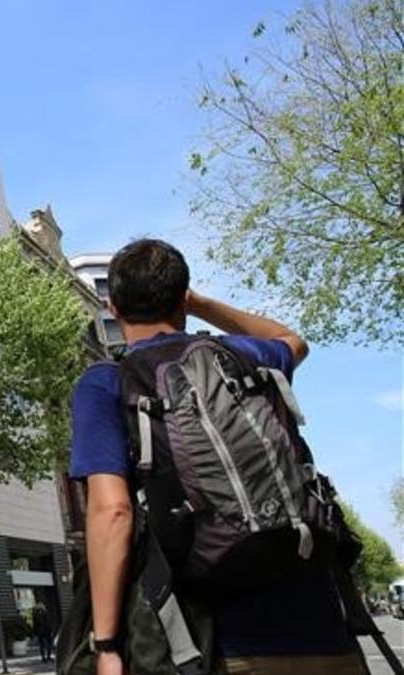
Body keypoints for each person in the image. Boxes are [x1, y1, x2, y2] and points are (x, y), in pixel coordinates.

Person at [70, 239, 363, 675]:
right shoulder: (246, 356)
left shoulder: (106, 383)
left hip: (212, 647)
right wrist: (201, 304)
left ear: (112, 307)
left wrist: (108, 644)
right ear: (182, 299)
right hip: (324, 634)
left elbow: (112, 511)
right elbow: (292, 340)